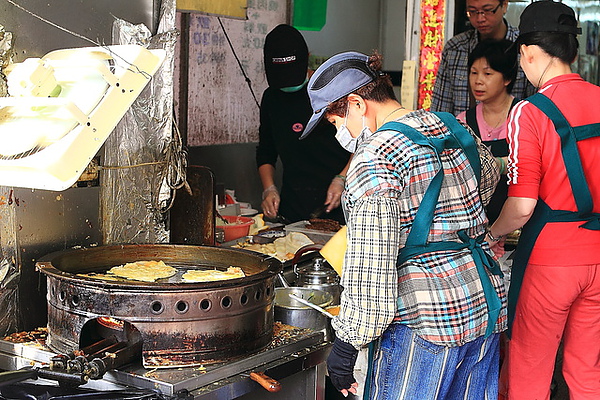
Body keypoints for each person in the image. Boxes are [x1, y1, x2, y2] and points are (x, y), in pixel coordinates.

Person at [301, 51, 506, 399]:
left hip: (425, 323)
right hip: (483, 309)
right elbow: (487, 182)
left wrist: (347, 343)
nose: (342, 134)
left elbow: (373, 271)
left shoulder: (374, 158)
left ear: (357, 103)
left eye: (337, 122)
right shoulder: (452, 127)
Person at [486, 1, 600, 399]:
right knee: (586, 374)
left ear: (529, 53)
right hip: (598, 258)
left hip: (550, 261)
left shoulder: (530, 112)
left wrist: (490, 233)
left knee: (528, 374)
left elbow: (522, 205)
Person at [256, 24, 351, 224]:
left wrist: (342, 178)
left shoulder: (330, 92)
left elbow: (362, 143)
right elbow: (266, 150)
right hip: (293, 206)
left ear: (307, 57)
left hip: (339, 202)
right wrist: (269, 188)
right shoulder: (271, 98)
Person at [431, 0, 534, 115]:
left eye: (488, 10)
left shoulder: (524, 47)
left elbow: (534, 107)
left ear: (504, 5)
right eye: (473, 12)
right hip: (461, 131)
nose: (480, 19)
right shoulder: (455, 49)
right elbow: (440, 108)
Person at [457, 39, 519, 223]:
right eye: (473, 73)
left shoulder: (524, 116)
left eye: (488, 73)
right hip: (476, 223)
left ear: (507, 78)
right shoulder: (463, 121)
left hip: (517, 221)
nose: (478, 81)